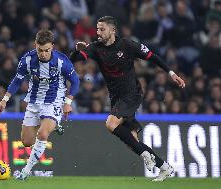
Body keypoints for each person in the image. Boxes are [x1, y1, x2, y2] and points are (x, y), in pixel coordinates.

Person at [70, 16, 185, 181]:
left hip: (132, 93)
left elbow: (153, 57)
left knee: (110, 123)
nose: (98, 32)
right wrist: (76, 50)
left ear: (112, 30)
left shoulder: (128, 45)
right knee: (132, 141)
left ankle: (145, 154)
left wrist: (171, 74)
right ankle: (164, 167)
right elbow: (74, 59)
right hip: (116, 98)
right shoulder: (96, 48)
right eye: (97, 29)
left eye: (102, 29)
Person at [0, 30, 80, 180]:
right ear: (35, 46)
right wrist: (4, 100)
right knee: (27, 142)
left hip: (54, 100)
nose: (43, 54)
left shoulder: (61, 61)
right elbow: (17, 80)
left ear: (52, 47)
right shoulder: (27, 59)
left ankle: (25, 172)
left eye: (47, 50)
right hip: (34, 102)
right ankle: (55, 125)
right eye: (40, 50)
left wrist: (68, 102)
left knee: (42, 134)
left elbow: (76, 81)